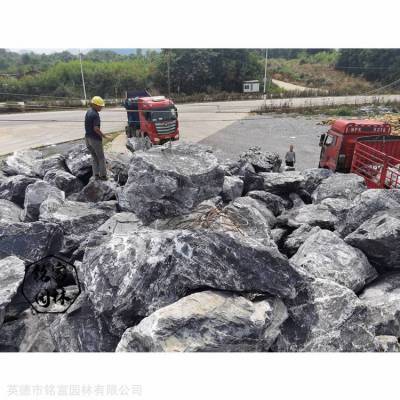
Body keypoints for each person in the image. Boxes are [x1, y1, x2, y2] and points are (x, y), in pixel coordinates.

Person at [85, 96, 107, 180]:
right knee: (101, 157)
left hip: (87, 138)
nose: (101, 107)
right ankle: (103, 176)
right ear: (94, 105)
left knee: (94, 157)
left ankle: (96, 175)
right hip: (95, 139)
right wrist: (104, 136)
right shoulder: (95, 115)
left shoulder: (88, 112)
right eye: (100, 106)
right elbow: (96, 128)